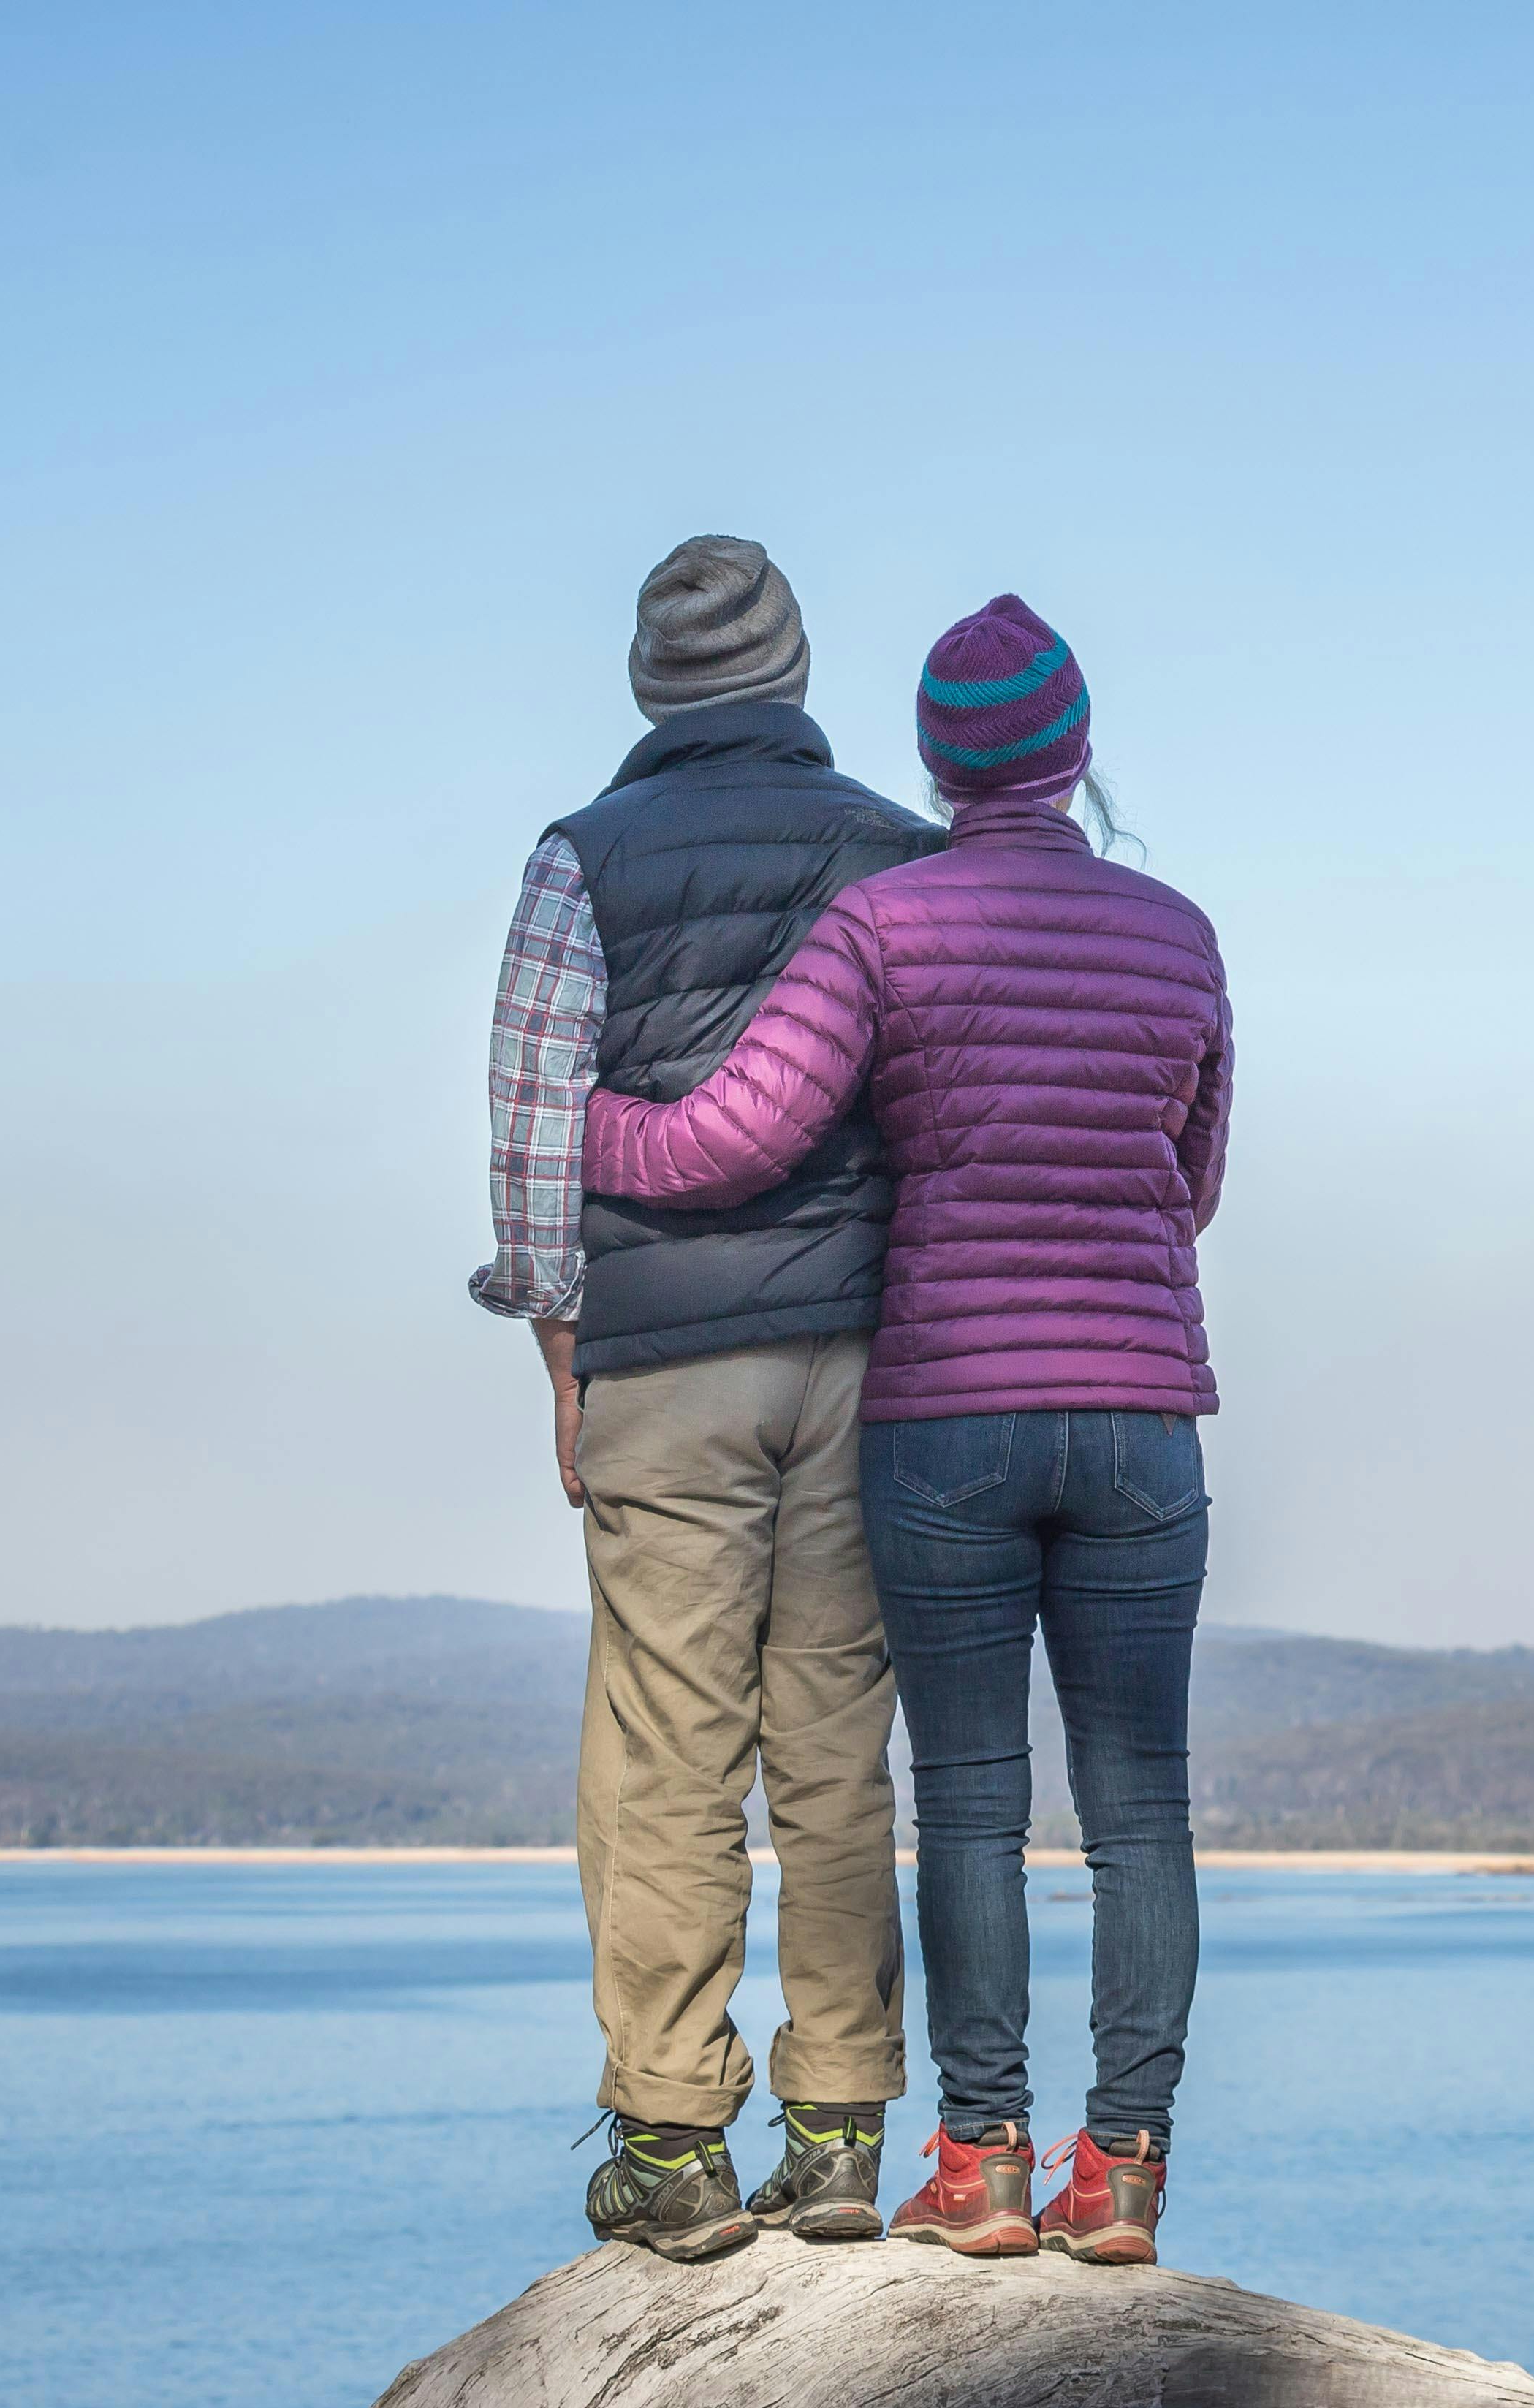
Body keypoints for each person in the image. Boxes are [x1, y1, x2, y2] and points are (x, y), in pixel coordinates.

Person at [583, 594, 1229, 2266]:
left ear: (942, 762)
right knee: (1140, 1804)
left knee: (968, 1795)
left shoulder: (892, 927)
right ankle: (1130, 2173)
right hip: (1146, 1410)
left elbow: (741, 1131)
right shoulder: (1179, 933)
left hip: (946, 1408)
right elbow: (1195, 1179)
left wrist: (588, 1128)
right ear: (1078, 750)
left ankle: (986, 2161)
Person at [471, 536, 941, 2263]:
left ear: (648, 689)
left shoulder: (577, 861)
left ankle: (672, 2142)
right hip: (868, 1352)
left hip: (663, 1357)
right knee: (835, 1741)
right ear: (798, 675)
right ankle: (836, 2137)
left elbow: (531, 1133)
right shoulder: (901, 853)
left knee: (668, 1745)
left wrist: (560, 1355)